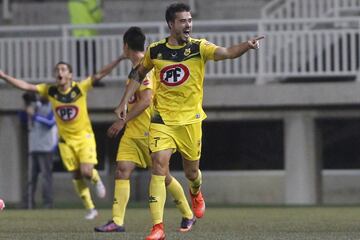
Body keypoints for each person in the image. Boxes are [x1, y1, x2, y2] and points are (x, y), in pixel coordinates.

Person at [114, 2, 264, 239]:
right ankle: (158, 227)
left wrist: (246, 45)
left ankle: (196, 192)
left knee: (191, 172)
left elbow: (226, 53)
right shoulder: (155, 51)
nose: (188, 25)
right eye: (183, 21)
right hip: (162, 119)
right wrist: (123, 102)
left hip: (190, 121)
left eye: (190, 20)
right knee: (158, 165)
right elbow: (138, 73)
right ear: (171, 24)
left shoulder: (199, 47)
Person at [94, 27, 195, 233]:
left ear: (125, 46)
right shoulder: (135, 68)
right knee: (122, 171)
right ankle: (117, 221)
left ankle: (188, 213)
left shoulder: (145, 67)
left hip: (150, 131)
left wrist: (121, 121)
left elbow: (147, 100)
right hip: (132, 133)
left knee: (164, 177)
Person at [0, 56, 125, 220]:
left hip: (83, 137)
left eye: (63, 69)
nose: (59, 72)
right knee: (76, 175)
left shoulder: (79, 88)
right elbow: (26, 86)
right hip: (65, 141)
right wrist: (4, 76)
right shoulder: (50, 90)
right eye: (57, 70)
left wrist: (119, 59)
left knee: (86, 171)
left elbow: (100, 74)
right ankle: (91, 209)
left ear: (70, 75)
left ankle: (96, 179)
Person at [21, 92, 57, 209]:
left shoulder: (53, 105)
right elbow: (22, 119)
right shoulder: (35, 105)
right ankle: (28, 204)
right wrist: (26, 108)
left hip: (46, 148)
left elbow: (50, 122)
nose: (41, 95)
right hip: (33, 147)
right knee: (30, 179)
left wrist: (35, 115)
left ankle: (47, 204)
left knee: (46, 178)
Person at [68, 0, 103, 79]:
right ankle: (93, 79)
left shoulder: (71, 2)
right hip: (89, 32)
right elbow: (97, 15)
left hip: (77, 31)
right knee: (91, 58)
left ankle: (79, 78)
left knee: (79, 58)